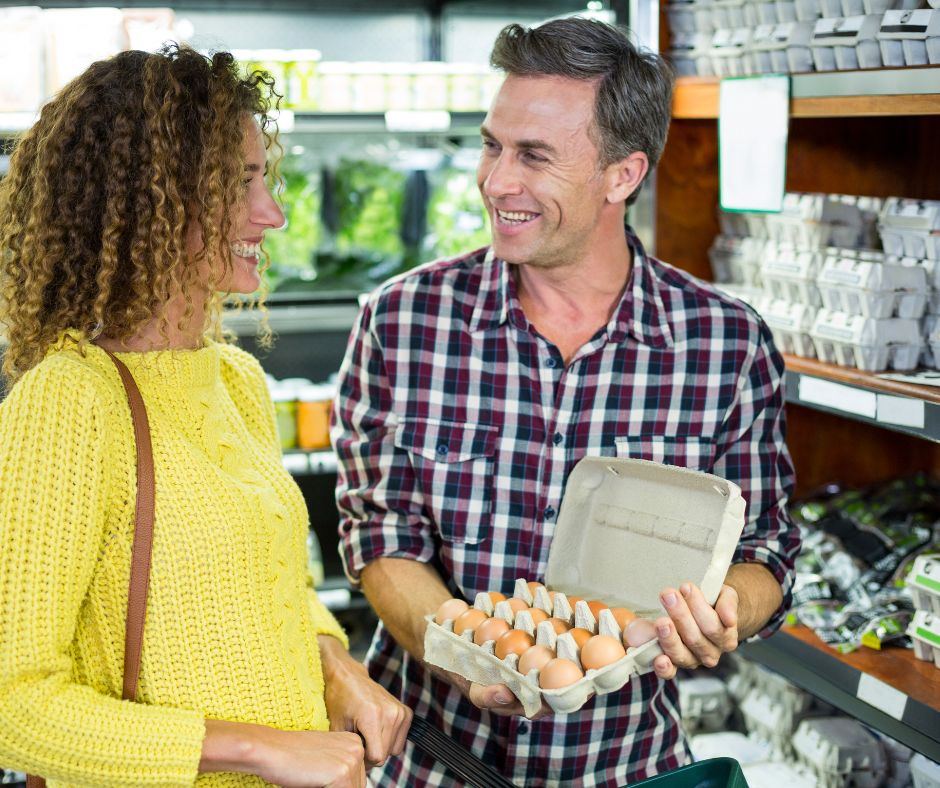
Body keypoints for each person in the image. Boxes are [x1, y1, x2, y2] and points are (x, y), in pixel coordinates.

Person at [332, 17, 800, 787]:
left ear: (623, 174)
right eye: (492, 145)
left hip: (625, 765)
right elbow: (383, 538)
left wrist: (727, 612)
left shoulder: (724, 345)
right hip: (433, 760)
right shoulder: (404, 321)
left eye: (534, 157)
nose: (495, 182)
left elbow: (769, 551)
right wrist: (465, 653)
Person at [0, 45, 411, 787]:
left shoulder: (236, 380)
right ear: (141, 201)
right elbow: (13, 706)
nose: (273, 214)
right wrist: (259, 747)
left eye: (266, 179)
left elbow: (269, 588)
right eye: (237, 184)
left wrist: (332, 665)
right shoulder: (68, 403)